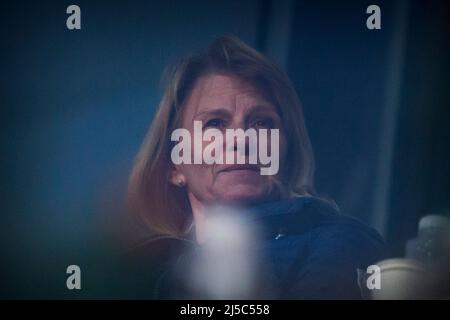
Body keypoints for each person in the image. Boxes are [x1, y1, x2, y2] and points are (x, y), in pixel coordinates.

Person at [124, 36, 386, 299]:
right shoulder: (141, 274)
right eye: (215, 123)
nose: (241, 139)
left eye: (262, 124)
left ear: (286, 154)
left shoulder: (339, 242)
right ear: (174, 165)